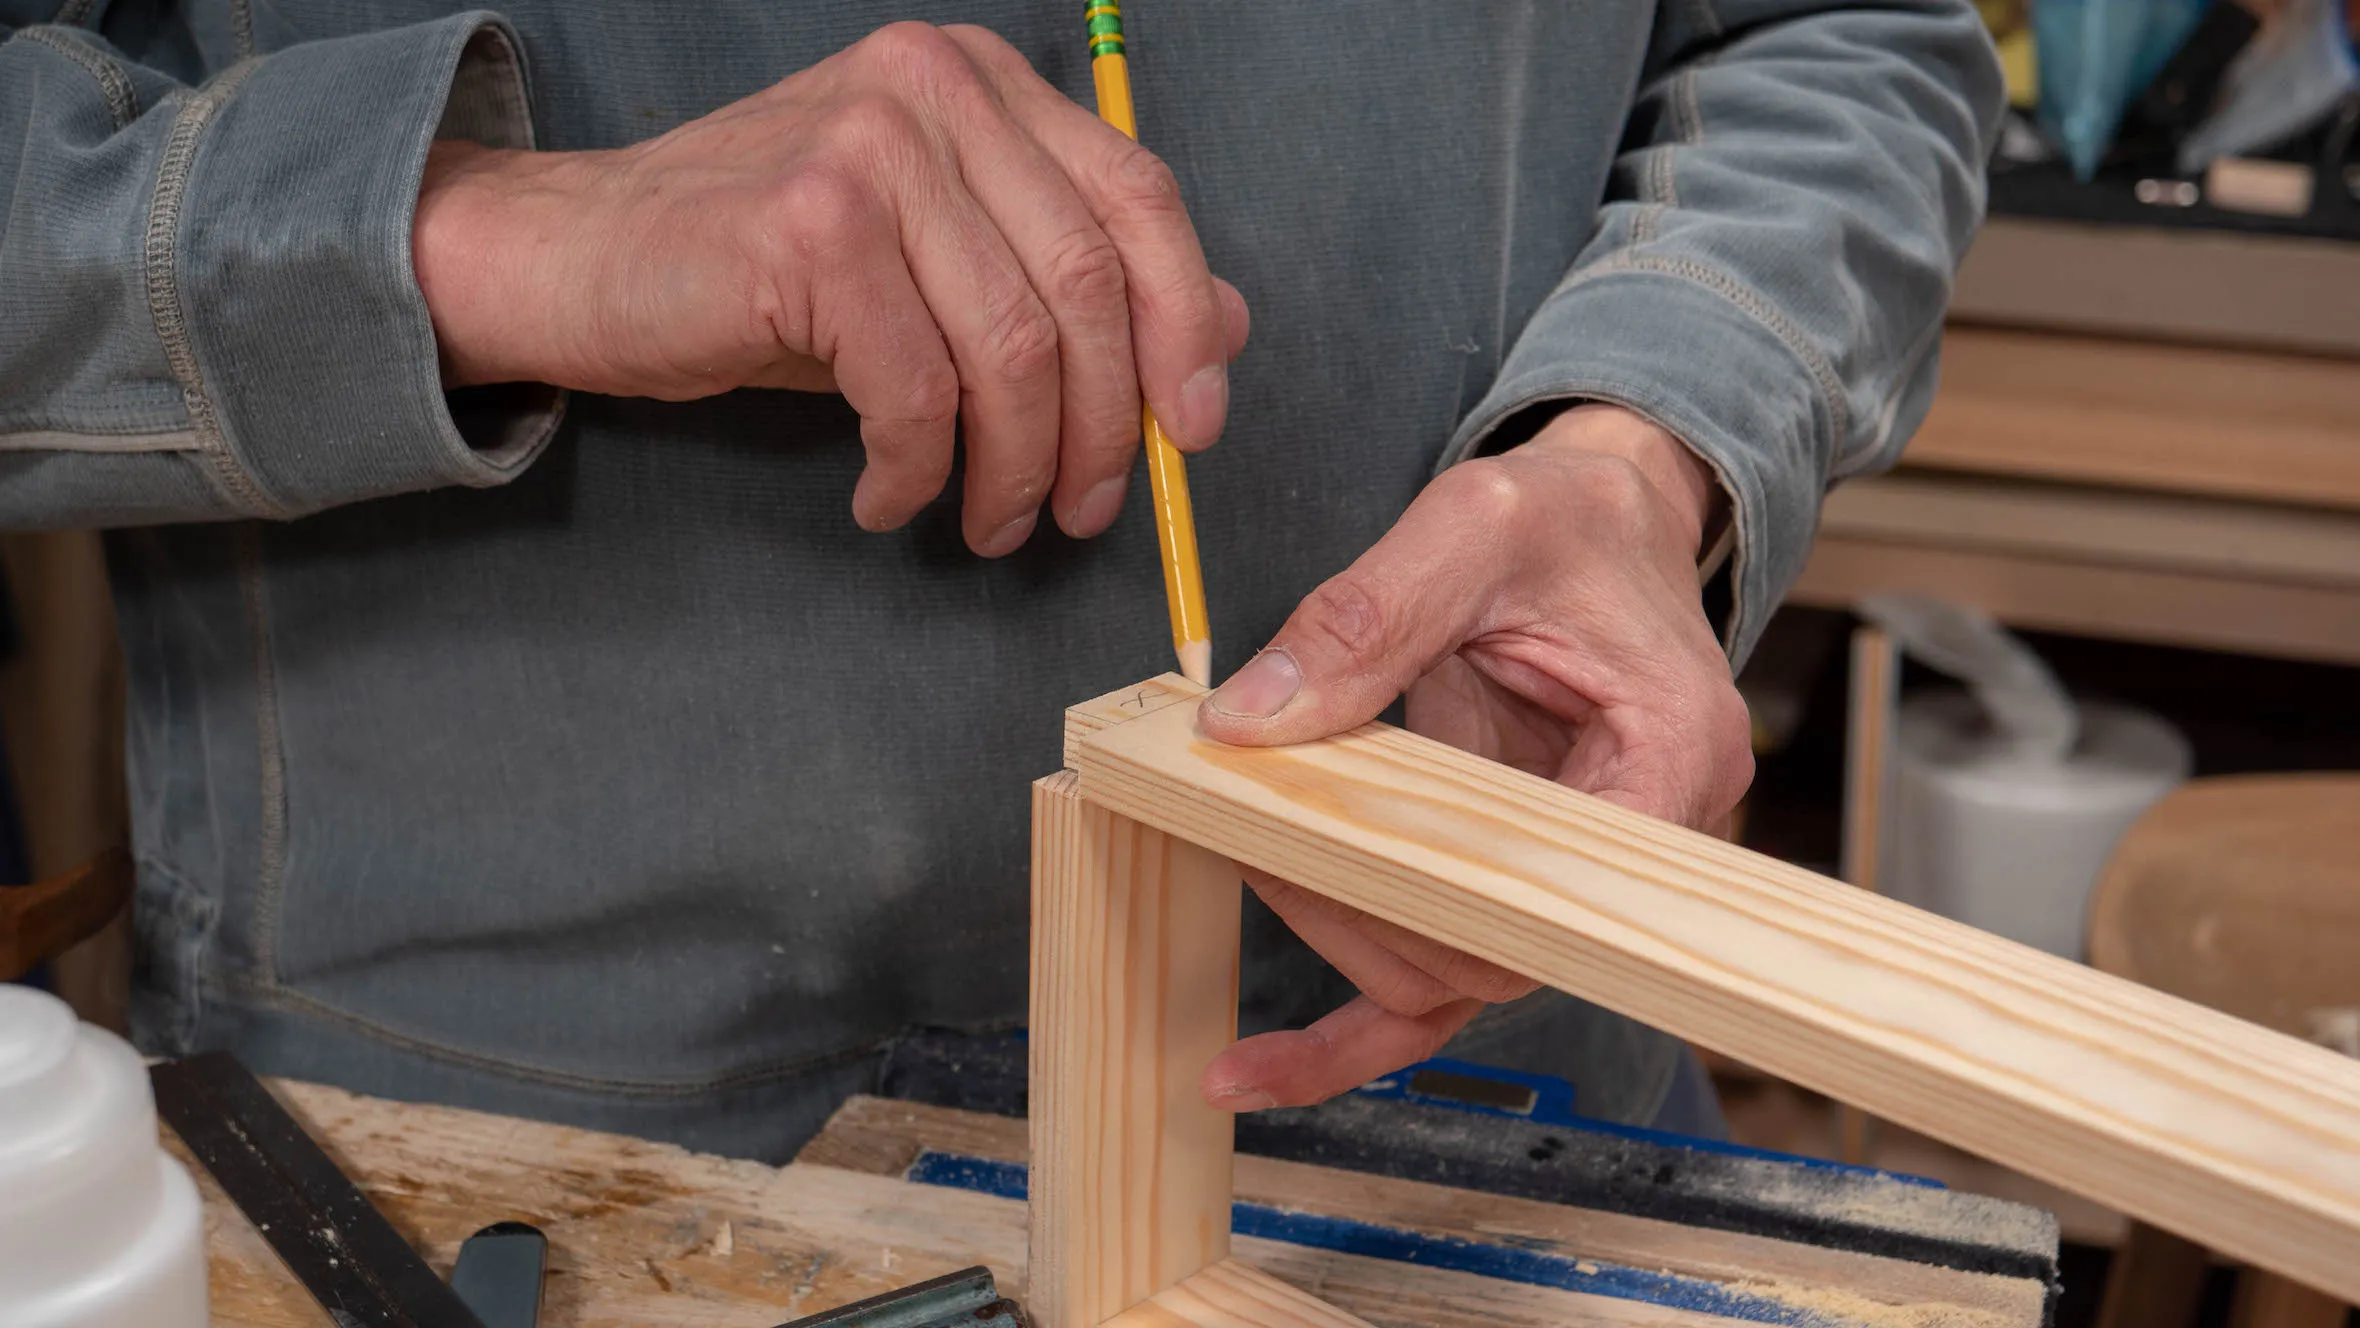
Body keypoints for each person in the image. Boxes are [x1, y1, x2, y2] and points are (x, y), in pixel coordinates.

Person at [0, 3, 2000, 1159]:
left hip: (1452, 1076)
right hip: (499, 1152)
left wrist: (1644, 441)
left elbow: (1830, 39)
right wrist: (486, 233)